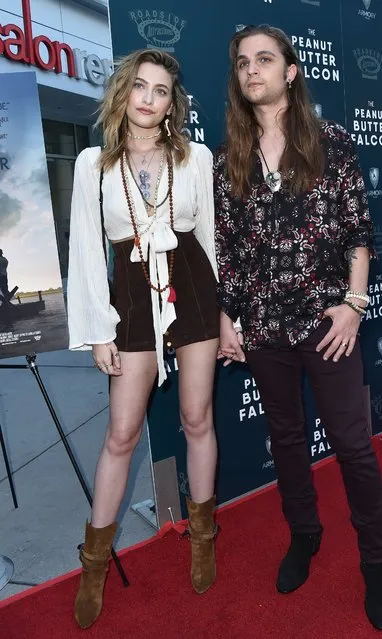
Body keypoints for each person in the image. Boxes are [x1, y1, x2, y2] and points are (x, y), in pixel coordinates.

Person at [214, 25, 382, 631]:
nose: (252, 71)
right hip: (264, 328)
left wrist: (354, 303)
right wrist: (226, 318)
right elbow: (231, 250)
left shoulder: (331, 142)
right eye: (243, 62)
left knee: (351, 444)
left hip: (328, 322)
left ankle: (377, 564)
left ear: (291, 71)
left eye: (264, 60)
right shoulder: (230, 158)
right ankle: (305, 535)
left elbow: (358, 231)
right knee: (286, 441)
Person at [67, 48, 220, 629]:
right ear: (123, 92)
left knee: (197, 416)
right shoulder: (91, 164)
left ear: (171, 101)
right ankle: (94, 563)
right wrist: (96, 329)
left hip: (194, 285)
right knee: (121, 432)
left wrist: (225, 314)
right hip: (129, 292)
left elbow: (207, 238)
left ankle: (202, 534)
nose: (150, 98)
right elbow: (84, 250)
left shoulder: (196, 158)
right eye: (140, 86)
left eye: (161, 90)